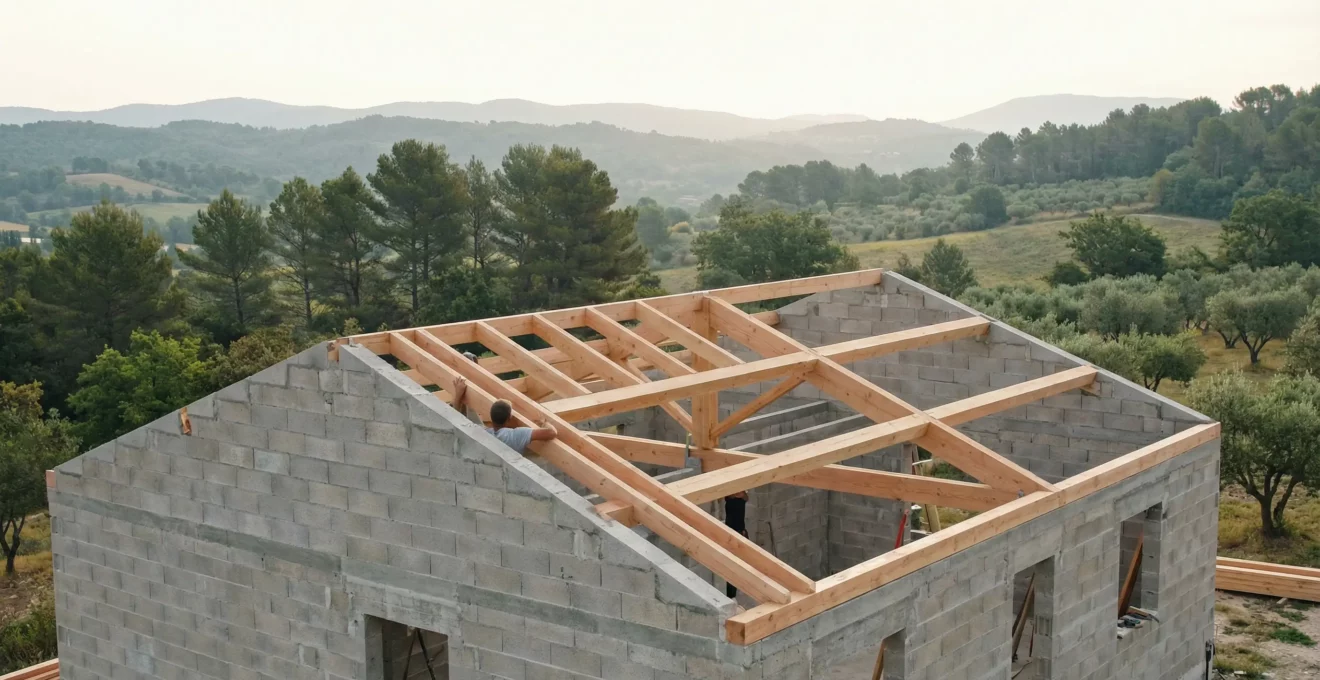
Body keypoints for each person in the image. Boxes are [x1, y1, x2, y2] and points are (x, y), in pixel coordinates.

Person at [450, 377, 557, 454]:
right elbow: (552, 432)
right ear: (509, 419)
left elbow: (455, 421)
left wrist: (458, 394)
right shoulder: (516, 435)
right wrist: (544, 422)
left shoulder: (483, 434)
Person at [723, 490, 749, 598]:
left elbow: (744, 496)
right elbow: (730, 495)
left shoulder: (741, 499)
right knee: (732, 566)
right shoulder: (730, 500)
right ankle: (731, 595)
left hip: (739, 533)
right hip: (731, 535)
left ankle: (734, 592)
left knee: (739, 565)